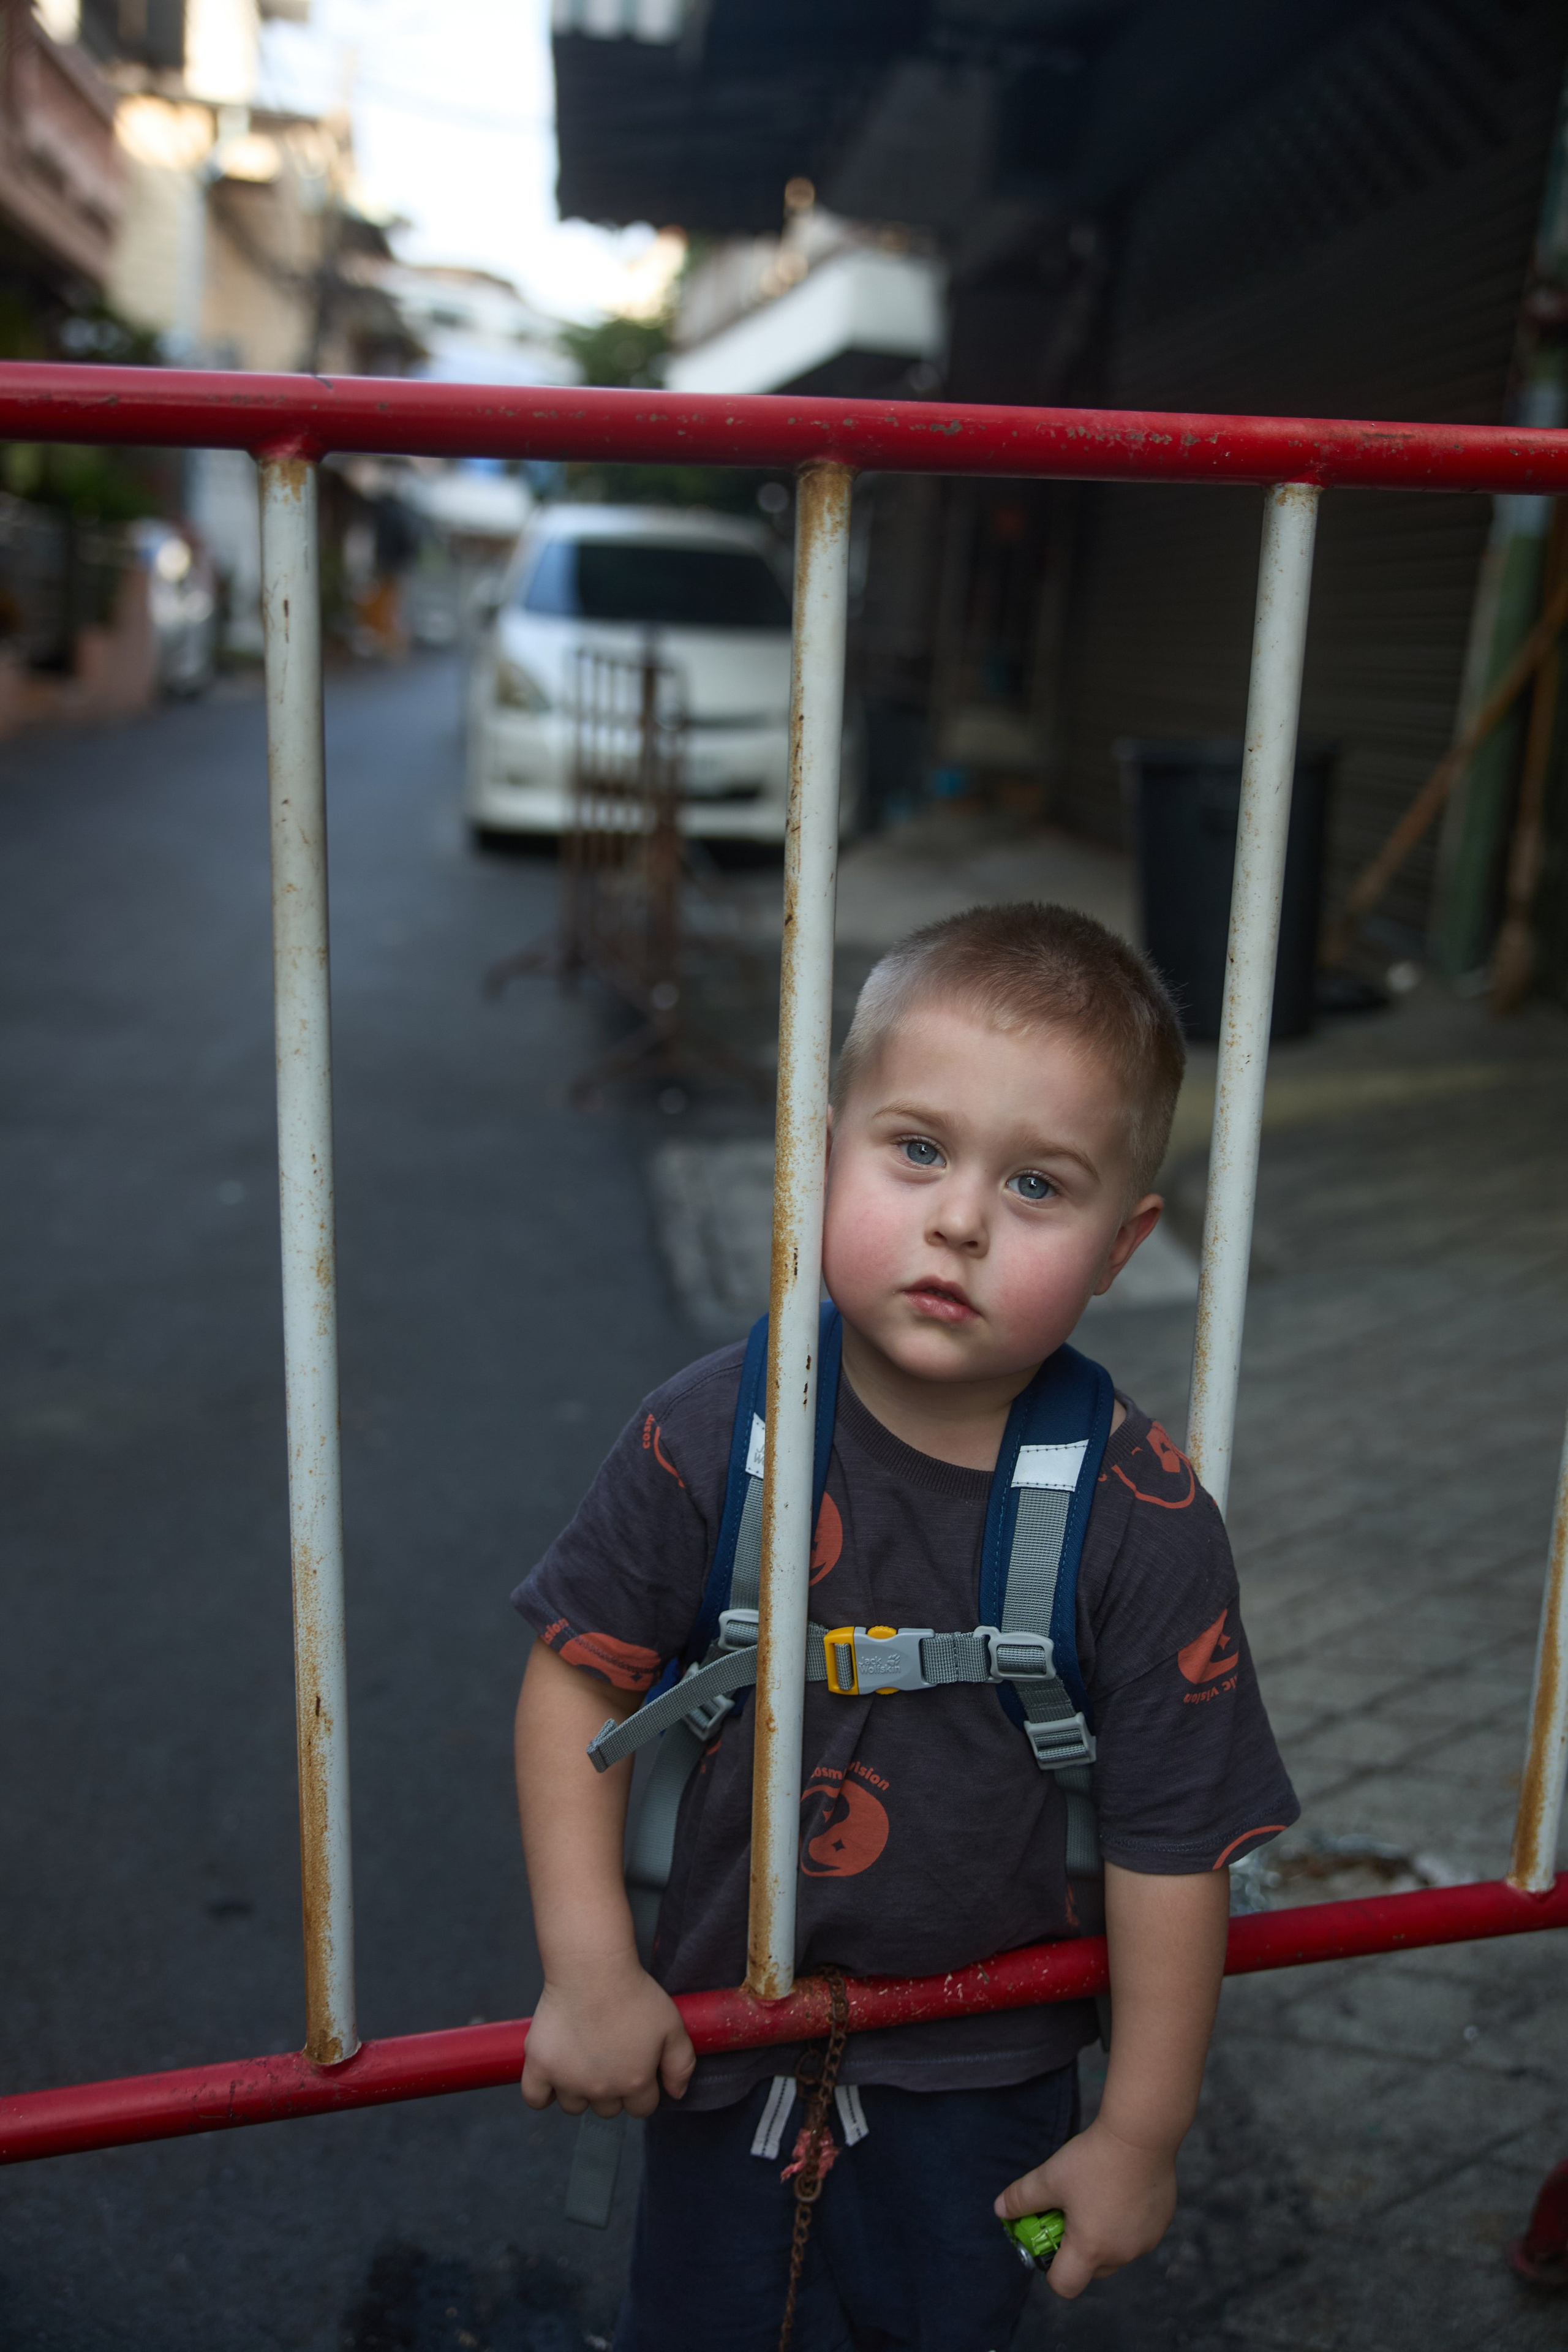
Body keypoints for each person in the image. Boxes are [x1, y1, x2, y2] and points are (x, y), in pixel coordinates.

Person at [511, 902, 1298, 2351]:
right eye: (917, 1148)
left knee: (969, 2303)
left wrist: (1138, 2136)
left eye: (1039, 1187)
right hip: (721, 2048)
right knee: (704, 2320)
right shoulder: (707, 1435)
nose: (959, 1220)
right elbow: (576, 1686)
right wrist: (588, 1970)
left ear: (1124, 1245)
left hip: (994, 2072)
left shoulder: (1142, 1517)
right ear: (822, 1152)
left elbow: (1170, 1845)